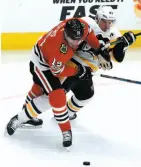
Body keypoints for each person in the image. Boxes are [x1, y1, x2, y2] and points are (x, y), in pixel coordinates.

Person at [20, 5, 136, 126]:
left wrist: (123, 45)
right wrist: (97, 50)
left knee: (86, 96)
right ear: (97, 18)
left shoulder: (114, 33)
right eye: (104, 21)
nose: (107, 26)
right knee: (50, 94)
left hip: (87, 70)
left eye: (110, 22)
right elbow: (69, 38)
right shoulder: (86, 23)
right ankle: (24, 115)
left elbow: (116, 57)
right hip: (71, 64)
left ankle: (67, 114)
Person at [5, 17, 111, 148]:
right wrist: (78, 71)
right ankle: (19, 119)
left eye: (79, 39)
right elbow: (57, 71)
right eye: (74, 40)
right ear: (66, 35)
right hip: (42, 65)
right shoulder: (57, 48)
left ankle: (27, 113)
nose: (77, 43)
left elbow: (89, 34)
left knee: (39, 88)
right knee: (58, 97)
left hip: (51, 59)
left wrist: (99, 50)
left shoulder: (80, 27)